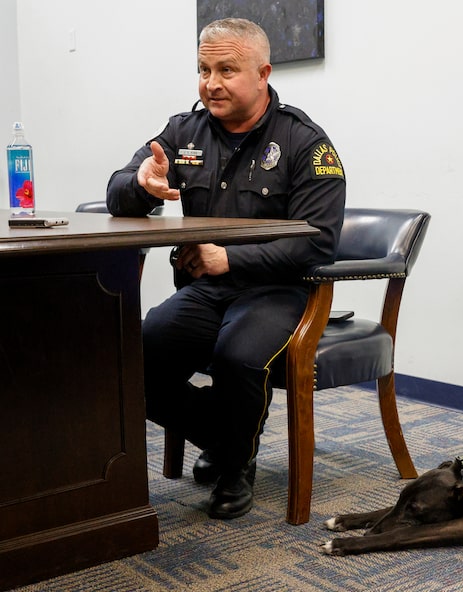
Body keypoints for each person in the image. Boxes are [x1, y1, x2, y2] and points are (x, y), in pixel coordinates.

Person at [107, 18, 346, 519]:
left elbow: (318, 243)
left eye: (226, 70)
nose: (211, 82)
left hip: (277, 292)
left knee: (237, 356)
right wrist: (141, 184)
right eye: (203, 69)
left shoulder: (306, 143)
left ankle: (235, 466)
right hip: (207, 289)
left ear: (263, 73)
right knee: (134, 355)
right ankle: (229, 440)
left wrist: (230, 256)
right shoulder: (183, 131)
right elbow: (121, 186)